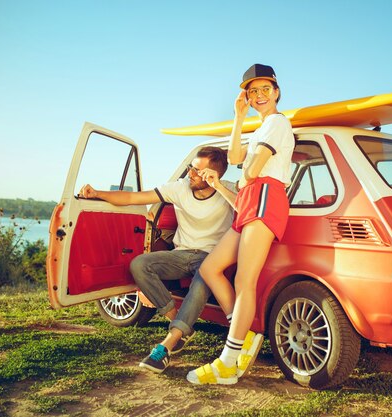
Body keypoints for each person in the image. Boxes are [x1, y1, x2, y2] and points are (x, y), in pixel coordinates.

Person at [79, 146, 237, 373]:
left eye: (197, 171)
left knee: (203, 277)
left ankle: (167, 344)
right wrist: (98, 193)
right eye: (191, 168)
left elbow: (247, 207)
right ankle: (178, 324)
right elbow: (135, 197)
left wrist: (220, 187)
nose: (190, 174)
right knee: (140, 265)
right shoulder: (180, 188)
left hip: (212, 258)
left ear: (213, 175)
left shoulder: (227, 191)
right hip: (181, 254)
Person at [187, 64, 295, 385]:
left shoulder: (277, 123)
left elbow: (249, 172)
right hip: (252, 200)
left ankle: (228, 362)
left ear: (276, 92)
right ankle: (242, 335)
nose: (259, 96)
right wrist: (238, 118)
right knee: (210, 268)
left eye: (265, 89)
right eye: (252, 91)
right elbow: (235, 157)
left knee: (245, 282)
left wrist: (244, 171)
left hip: (265, 199)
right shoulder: (261, 128)